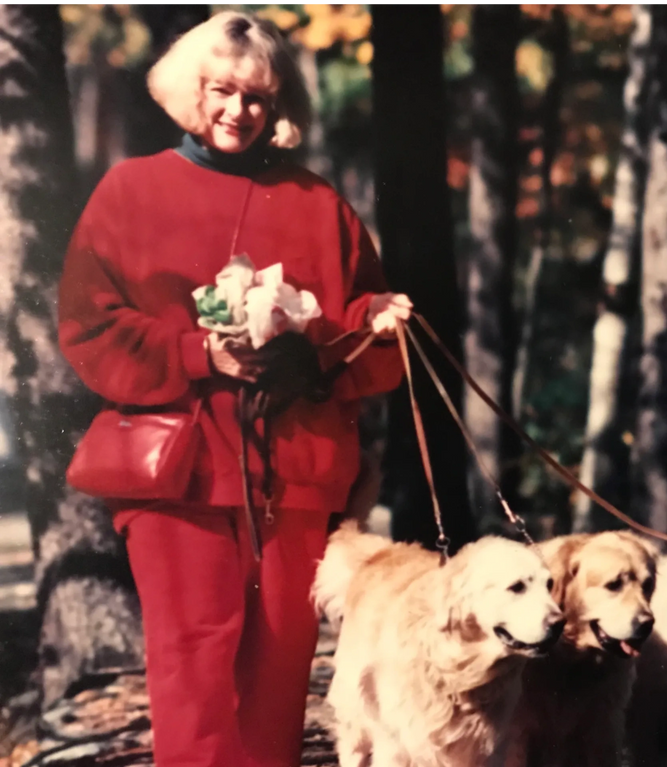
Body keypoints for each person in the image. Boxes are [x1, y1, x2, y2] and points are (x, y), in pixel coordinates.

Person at [57, 12, 410, 767]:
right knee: (193, 674)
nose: (235, 111)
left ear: (277, 104)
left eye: (255, 96)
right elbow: (87, 324)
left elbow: (357, 330)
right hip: (180, 475)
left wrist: (376, 322)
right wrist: (197, 353)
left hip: (297, 471)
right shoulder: (131, 190)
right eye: (221, 91)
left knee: (280, 674)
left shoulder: (319, 204)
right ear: (192, 92)